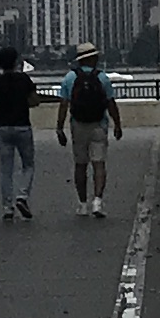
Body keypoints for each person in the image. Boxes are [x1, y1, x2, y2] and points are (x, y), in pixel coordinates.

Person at [57, 43, 118, 218]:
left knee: (80, 165)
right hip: (99, 124)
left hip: (78, 125)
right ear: (92, 58)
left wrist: (59, 128)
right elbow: (110, 103)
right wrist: (118, 124)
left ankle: (82, 204)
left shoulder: (69, 78)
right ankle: (97, 201)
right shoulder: (102, 78)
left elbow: (64, 104)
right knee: (99, 164)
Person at [0, 46, 43, 220]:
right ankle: (22, 196)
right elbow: (35, 101)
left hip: (3, 128)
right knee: (28, 165)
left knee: (6, 169)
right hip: (22, 126)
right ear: (16, 61)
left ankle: (7, 207)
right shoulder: (24, 79)